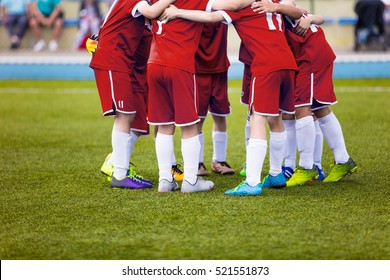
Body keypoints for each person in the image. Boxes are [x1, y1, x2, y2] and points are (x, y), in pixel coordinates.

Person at [160, 0, 303, 195]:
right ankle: (276, 174)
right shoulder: (272, 3)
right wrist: (278, 7)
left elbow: (210, 17)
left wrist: (178, 12)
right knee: (276, 119)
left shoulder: (242, 6)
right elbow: (297, 12)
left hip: (266, 65)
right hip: (287, 63)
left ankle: (252, 183)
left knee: (257, 119)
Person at [252, 0, 357, 186]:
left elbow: (297, 10)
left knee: (301, 109)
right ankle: (343, 160)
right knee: (320, 109)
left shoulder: (277, 6)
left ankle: (307, 167)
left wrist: (278, 7)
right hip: (313, 56)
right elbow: (314, 16)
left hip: (309, 59)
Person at [88, 0, 177, 189]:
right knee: (125, 115)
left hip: (120, 63)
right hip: (113, 60)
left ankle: (121, 168)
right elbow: (152, 12)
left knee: (131, 115)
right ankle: (119, 172)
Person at [195, 22, 235, 176]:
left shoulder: (223, 6)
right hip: (198, 68)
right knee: (198, 119)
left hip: (219, 68)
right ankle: (197, 163)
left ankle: (219, 160)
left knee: (220, 115)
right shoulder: (194, 6)